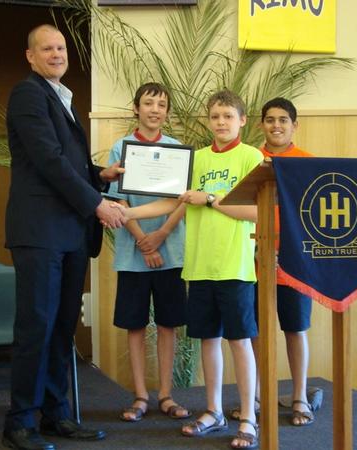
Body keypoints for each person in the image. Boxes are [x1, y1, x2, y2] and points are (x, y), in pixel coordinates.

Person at [3, 24, 124, 450]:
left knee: (60, 328)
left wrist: (99, 175)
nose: (56, 54)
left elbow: (67, 163)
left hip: (70, 233)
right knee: (36, 325)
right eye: (46, 49)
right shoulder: (28, 94)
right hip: (39, 232)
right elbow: (49, 161)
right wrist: (97, 203)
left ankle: (56, 415)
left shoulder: (62, 97)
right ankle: (20, 423)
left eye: (61, 47)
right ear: (30, 57)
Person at [120, 90, 262, 450]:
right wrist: (127, 213)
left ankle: (247, 417)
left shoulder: (252, 157)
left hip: (235, 266)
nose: (221, 123)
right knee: (208, 340)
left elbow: (258, 212)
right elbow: (173, 200)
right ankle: (213, 411)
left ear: (242, 120)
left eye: (228, 116)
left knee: (240, 341)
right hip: (198, 267)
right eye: (215, 116)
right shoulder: (195, 159)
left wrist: (212, 200)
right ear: (208, 121)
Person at [106, 82, 191, 423]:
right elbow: (118, 200)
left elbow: (184, 200)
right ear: (136, 108)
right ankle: (140, 395)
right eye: (148, 103)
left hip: (170, 251)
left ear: (167, 112)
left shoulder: (176, 150)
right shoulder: (120, 147)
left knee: (169, 324)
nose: (155, 109)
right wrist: (143, 241)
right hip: (133, 253)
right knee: (136, 325)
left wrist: (162, 235)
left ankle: (166, 395)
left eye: (161, 104)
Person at [230, 97, 316, 427]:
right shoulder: (251, 159)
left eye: (283, 120)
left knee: (295, 329)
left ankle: (299, 397)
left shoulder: (307, 162)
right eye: (269, 119)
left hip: (295, 262)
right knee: (256, 332)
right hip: (252, 261)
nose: (276, 125)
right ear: (260, 124)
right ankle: (258, 396)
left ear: (295, 125)